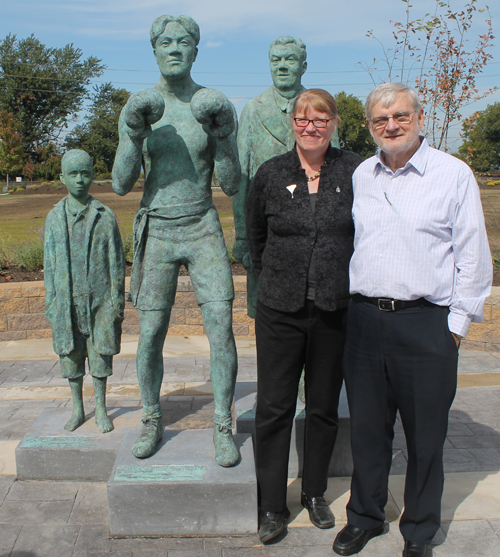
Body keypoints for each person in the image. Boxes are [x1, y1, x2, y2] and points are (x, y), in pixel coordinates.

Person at [332, 83, 492, 557]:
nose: (392, 126)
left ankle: (420, 528)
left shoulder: (453, 174)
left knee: (425, 438)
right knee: (366, 430)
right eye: (381, 120)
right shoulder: (363, 174)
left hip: (426, 323)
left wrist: (456, 328)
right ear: (369, 126)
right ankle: (365, 516)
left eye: (401, 116)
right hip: (364, 320)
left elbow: (473, 256)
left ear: (419, 117)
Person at [112, 15, 241, 467]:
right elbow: (121, 184)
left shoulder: (210, 106)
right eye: (165, 42)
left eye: (183, 42)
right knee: (149, 337)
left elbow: (230, 183)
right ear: (153, 49)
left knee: (221, 332)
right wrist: (133, 134)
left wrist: (224, 136)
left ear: (195, 51)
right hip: (159, 230)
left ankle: (223, 424)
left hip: (203, 225)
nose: (174, 49)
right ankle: (151, 419)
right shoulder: (143, 106)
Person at [246, 89, 361, 543]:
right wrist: (280, 276)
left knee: (323, 406)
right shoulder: (271, 174)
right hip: (280, 308)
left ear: (333, 123)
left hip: (335, 308)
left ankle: (314, 491)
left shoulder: (354, 170)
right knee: (274, 407)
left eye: (319, 119)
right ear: (293, 123)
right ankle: (272, 504)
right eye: (301, 119)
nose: (310, 126)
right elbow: (256, 235)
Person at [233, 36, 339, 318]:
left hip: (318, 237)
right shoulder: (253, 110)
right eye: (275, 60)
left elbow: (338, 174)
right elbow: (242, 178)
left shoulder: (322, 110)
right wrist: (243, 237)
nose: (282, 67)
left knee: (321, 320)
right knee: (268, 321)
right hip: (269, 236)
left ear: (303, 66)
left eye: (289, 60)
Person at [44, 149, 125, 434]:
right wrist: (51, 303)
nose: (80, 180)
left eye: (85, 173)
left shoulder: (104, 216)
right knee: (71, 356)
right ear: (62, 177)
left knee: (101, 356)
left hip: (100, 301)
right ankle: (78, 409)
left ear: (93, 175)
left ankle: (101, 408)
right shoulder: (54, 218)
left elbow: (116, 262)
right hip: (67, 301)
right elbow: (49, 264)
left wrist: (116, 303)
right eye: (73, 174)